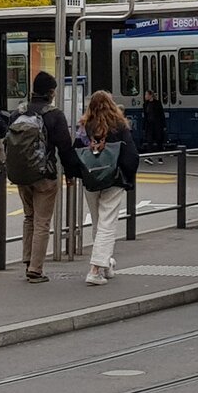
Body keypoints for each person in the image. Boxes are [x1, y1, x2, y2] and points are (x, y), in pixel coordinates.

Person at [17, 71, 82, 284]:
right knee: (43, 221)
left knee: (29, 217)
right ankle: (35, 269)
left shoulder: (18, 112)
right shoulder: (54, 115)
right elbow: (65, 148)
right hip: (45, 175)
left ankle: (28, 260)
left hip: (23, 174)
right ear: (51, 92)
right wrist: (71, 174)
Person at [77, 90, 139, 287]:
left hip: (91, 179)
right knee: (107, 224)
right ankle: (95, 269)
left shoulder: (84, 126)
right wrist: (127, 178)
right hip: (113, 179)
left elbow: (76, 150)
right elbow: (131, 155)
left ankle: (106, 265)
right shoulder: (119, 126)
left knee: (98, 223)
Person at [141, 89, 166, 156]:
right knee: (149, 141)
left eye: (146, 95)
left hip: (157, 125)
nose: (145, 96)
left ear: (150, 95)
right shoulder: (145, 104)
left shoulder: (157, 103)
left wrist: (164, 125)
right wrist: (144, 126)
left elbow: (161, 114)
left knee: (159, 140)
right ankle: (150, 156)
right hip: (149, 125)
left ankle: (160, 156)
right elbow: (145, 116)